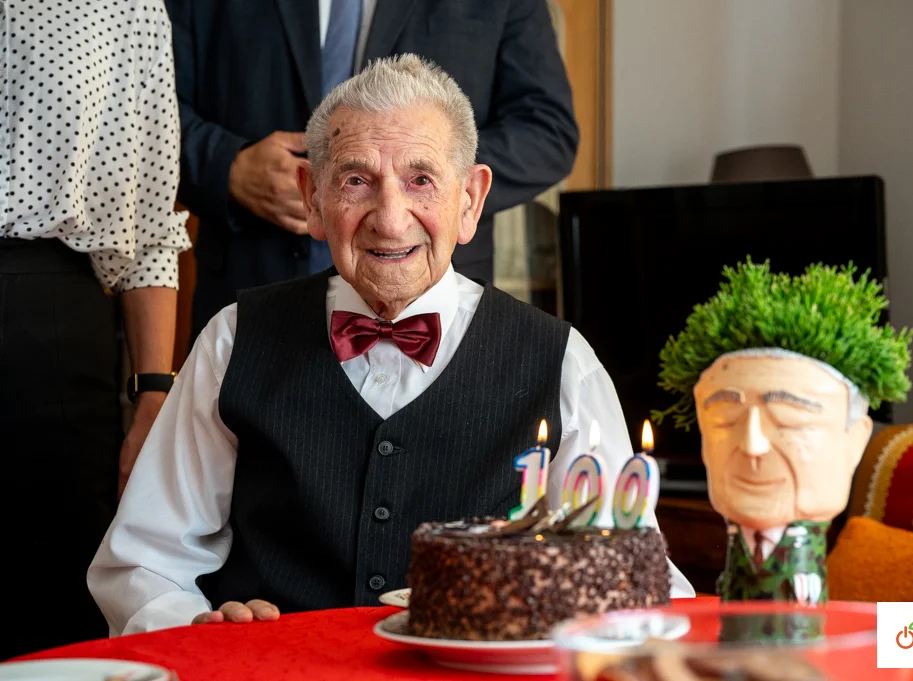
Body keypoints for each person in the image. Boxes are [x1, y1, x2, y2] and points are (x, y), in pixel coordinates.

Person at [87, 55, 692, 635]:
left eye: (420, 180)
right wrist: (196, 627)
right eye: (356, 181)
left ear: (470, 201)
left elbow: (636, 585)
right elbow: (144, 560)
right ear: (313, 198)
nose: (390, 218)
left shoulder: (561, 362)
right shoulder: (232, 339)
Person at [167, 0, 579, 345]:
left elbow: (547, 130)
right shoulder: (222, 342)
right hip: (252, 279)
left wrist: (424, 174)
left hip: (436, 301)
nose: (385, 215)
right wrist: (229, 166)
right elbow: (149, 110)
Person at [0, 0, 191, 659]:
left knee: (48, 616)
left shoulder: (123, 6)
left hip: (45, 323)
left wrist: (154, 394)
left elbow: (150, 221)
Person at [653, 260, 912, 610]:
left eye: (789, 420)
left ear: (855, 440)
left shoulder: (888, 633)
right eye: (725, 420)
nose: (752, 445)